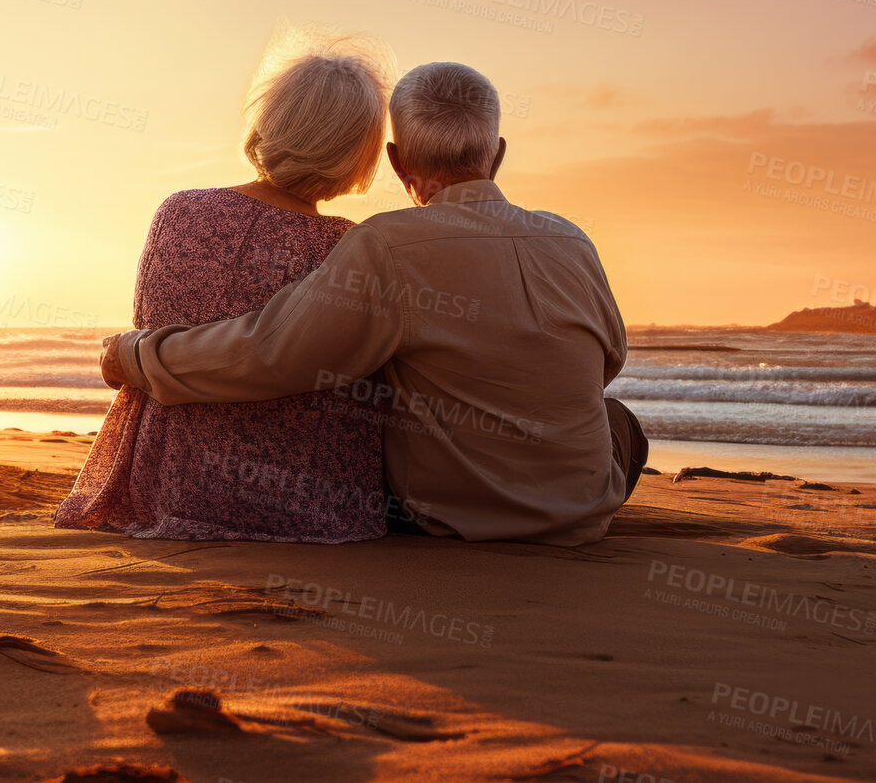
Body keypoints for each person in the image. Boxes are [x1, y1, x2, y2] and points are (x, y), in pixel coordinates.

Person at [102, 62, 646, 546]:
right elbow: (607, 362)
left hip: (447, 519)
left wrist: (136, 356)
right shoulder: (573, 241)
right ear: (498, 153)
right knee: (621, 423)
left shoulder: (388, 244)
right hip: (584, 516)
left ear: (396, 160)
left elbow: (273, 354)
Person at [55, 49, 392, 542]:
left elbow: (151, 323)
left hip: (170, 482)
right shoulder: (346, 246)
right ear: (354, 154)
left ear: (270, 123)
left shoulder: (179, 212)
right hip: (303, 499)